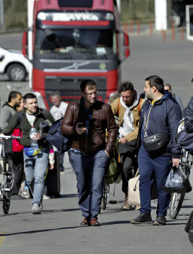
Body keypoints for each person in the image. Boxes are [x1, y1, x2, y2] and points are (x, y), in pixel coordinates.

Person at [61, 80, 118, 226]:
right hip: (77, 152)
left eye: (95, 93)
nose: (93, 96)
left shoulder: (104, 108)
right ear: (83, 94)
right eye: (90, 93)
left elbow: (112, 128)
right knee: (83, 184)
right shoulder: (74, 107)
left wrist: (108, 150)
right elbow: (64, 127)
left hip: (99, 152)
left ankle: (93, 216)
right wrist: (75, 130)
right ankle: (85, 214)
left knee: (97, 184)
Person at [130, 75, 182, 226]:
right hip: (145, 150)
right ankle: (144, 212)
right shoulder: (146, 104)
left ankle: (161, 215)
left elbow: (175, 131)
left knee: (162, 184)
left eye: (146, 86)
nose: (143, 89)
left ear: (153, 88)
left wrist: (175, 153)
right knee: (144, 179)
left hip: (163, 152)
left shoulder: (171, 105)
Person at [3, 93, 55, 214]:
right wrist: (4, 132)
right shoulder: (19, 116)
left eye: (35, 102)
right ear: (25, 105)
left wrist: (42, 135)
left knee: (39, 177)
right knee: (30, 179)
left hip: (42, 149)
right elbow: (8, 129)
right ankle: (38, 197)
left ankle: (36, 203)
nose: (34, 105)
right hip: (27, 150)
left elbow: (55, 129)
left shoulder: (44, 113)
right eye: (31, 103)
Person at [110, 82, 143, 210]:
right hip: (124, 142)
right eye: (123, 96)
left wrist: (127, 137)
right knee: (126, 169)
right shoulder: (118, 103)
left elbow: (141, 128)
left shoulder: (141, 104)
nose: (125, 99)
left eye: (127, 97)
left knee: (140, 171)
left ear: (133, 94)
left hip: (138, 140)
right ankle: (128, 197)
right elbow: (107, 114)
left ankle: (139, 198)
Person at [0, 91, 25, 199]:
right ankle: (13, 192)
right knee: (15, 167)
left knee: (17, 167)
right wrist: (15, 128)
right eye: (19, 99)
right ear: (13, 99)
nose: (20, 101)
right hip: (10, 142)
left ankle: (13, 191)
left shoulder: (13, 110)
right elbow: (3, 124)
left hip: (15, 141)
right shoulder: (6, 109)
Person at [49, 93, 68, 172]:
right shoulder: (52, 109)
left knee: (70, 149)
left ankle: (76, 165)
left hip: (67, 130)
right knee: (60, 149)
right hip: (58, 132)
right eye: (53, 99)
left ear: (60, 98)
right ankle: (60, 166)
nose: (55, 101)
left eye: (56, 98)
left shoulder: (66, 106)